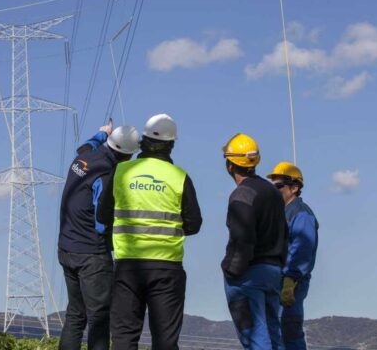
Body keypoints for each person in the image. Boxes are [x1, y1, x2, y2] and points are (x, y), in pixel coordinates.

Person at [97, 114, 202, 350]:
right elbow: (194, 224)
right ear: (171, 144)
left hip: (127, 267)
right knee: (165, 341)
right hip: (166, 268)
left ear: (142, 141)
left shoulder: (121, 172)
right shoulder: (180, 177)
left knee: (124, 337)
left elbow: (103, 216)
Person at [58, 119, 140, 350]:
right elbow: (102, 222)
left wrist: (103, 133)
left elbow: (86, 145)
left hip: (66, 248)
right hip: (91, 255)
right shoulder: (106, 174)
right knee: (99, 317)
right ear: (128, 155)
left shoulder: (83, 158)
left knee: (75, 315)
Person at [221, 133, 288, 350]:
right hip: (273, 272)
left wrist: (232, 271)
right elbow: (284, 232)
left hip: (248, 274)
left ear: (230, 165)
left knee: (255, 338)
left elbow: (242, 238)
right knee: (274, 336)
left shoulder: (242, 194)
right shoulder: (273, 192)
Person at [267, 162, 319, 350]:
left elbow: (303, 248)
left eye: (279, 186)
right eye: (271, 186)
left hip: (290, 283)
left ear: (294, 188)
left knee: (288, 331)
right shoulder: (280, 213)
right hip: (276, 281)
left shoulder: (301, 214)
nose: (274, 190)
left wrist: (290, 280)